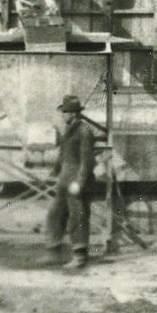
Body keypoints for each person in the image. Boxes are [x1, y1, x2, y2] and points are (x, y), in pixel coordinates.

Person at [49, 93, 99, 270]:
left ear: (73, 113)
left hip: (77, 182)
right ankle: (54, 250)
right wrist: (55, 171)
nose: (63, 115)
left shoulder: (84, 131)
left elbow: (87, 161)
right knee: (56, 214)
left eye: (65, 112)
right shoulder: (68, 130)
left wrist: (80, 182)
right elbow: (63, 154)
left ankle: (79, 257)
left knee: (78, 218)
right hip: (64, 180)